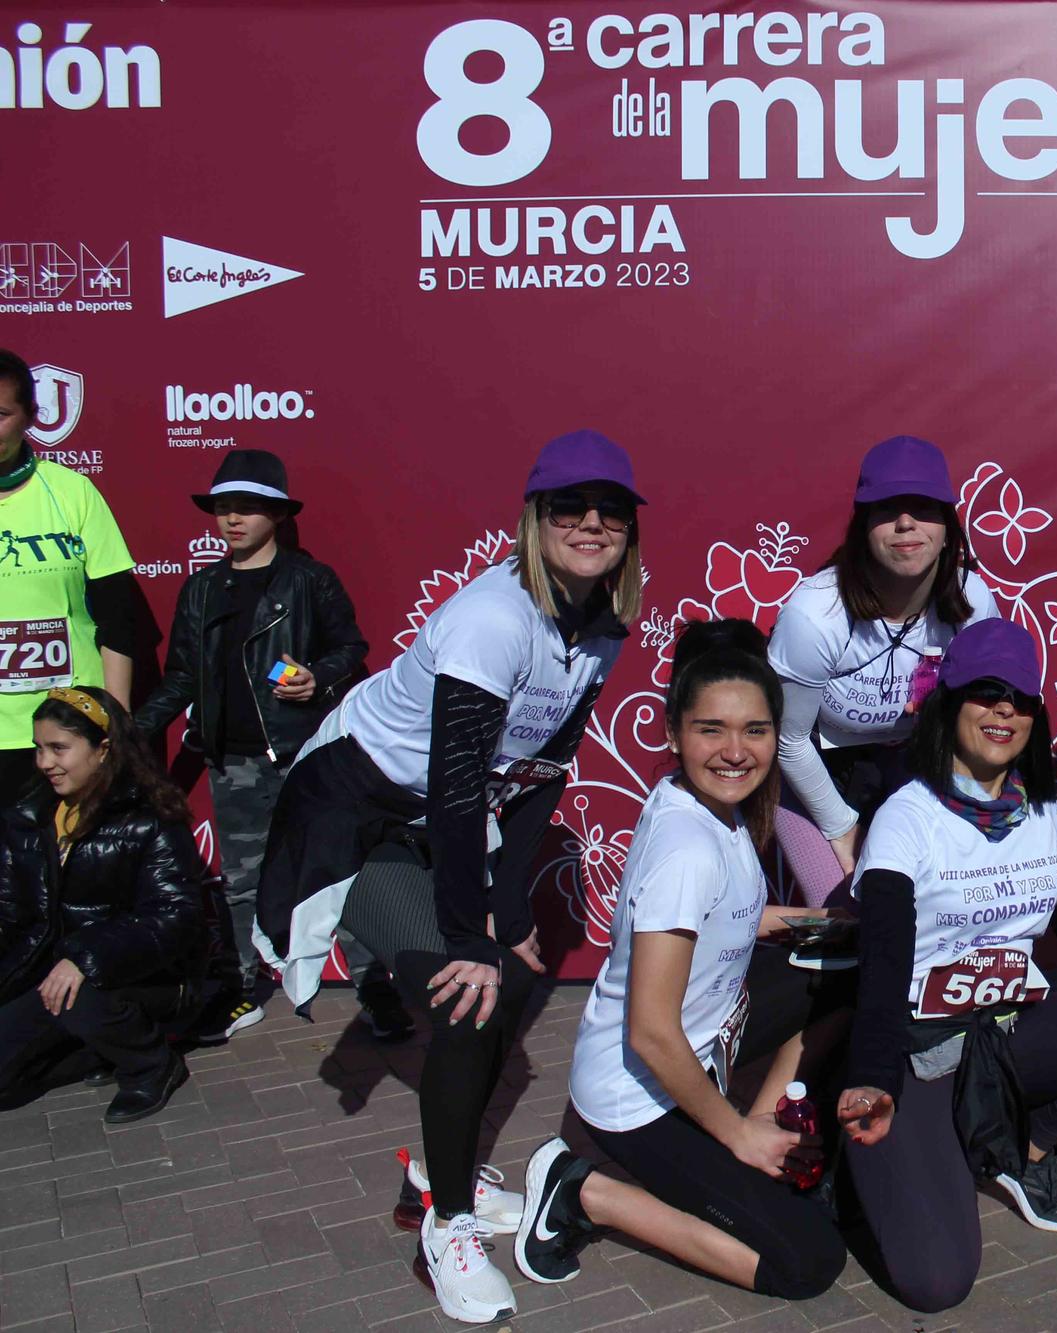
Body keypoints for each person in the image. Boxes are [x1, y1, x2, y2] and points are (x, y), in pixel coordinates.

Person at [255, 430, 642, 1324]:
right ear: (534, 518)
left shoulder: (602, 629)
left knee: (500, 982)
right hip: (357, 813)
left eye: (611, 509)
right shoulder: (491, 619)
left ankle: (437, 1171)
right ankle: (450, 1227)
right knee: (466, 989)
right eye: (569, 506)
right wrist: (476, 936)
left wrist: (505, 917)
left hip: (437, 817)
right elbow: (464, 783)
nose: (591, 521)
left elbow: (540, 771)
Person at [835, 618, 1057, 1313]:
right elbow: (881, 966)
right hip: (920, 1050)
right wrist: (873, 1077)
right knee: (937, 1282)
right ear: (948, 702)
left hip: (1009, 1038)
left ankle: (1026, 1143)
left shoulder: (1041, 811)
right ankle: (882, 1161)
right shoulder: (906, 818)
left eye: (1021, 697)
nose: (1004, 710)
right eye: (985, 693)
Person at [512, 619, 849, 1300]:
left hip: (703, 1042)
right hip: (640, 1096)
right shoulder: (686, 850)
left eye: (754, 730)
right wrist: (736, 1137)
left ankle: (756, 1126)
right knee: (807, 1261)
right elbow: (650, 1033)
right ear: (673, 733)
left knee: (844, 973)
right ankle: (583, 1189)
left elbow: (731, 918)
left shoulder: (710, 810)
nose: (735, 750)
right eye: (711, 729)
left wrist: (828, 922)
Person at [134, 450, 400, 1045]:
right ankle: (238, 990)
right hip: (233, 763)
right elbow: (181, 676)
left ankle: (373, 987)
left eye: (247, 508)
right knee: (242, 885)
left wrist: (319, 677)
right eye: (223, 508)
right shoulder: (201, 588)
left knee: (339, 875)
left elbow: (351, 647)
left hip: (308, 755)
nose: (233, 519)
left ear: (276, 515)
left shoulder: (309, 579)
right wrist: (130, 732)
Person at [767, 435, 999, 903]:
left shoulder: (973, 601)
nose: (907, 523)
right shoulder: (815, 613)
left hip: (914, 764)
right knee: (842, 908)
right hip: (814, 770)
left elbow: (983, 721)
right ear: (864, 525)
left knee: (934, 894)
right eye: (888, 509)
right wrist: (842, 829)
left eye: (924, 507)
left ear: (948, 525)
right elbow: (787, 741)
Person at [0, 687, 206, 1122]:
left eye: (59, 749)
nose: (44, 763)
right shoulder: (28, 815)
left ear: (102, 749)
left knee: (79, 997)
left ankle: (150, 1065)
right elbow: (10, 911)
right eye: (39, 748)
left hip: (144, 976)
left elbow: (174, 917)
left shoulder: (151, 817)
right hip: (52, 973)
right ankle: (94, 1050)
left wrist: (85, 956)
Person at [0, 350, 146, 805]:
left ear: (31, 417)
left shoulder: (72, 492)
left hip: (68, 732)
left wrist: (114, 721)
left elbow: (118, 619)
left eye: (0, 414)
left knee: (71, 870)